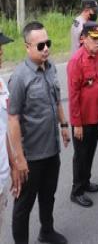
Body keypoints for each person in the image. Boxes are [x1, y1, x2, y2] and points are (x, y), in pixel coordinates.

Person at [8, 21, 70, 244]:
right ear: (27, 47)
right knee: (23, 206)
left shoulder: (51, 68)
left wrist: (64, 125)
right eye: (40, 45)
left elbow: (56, 100)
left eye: (48, 43)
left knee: (48, 195)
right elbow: (13, 119)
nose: (46, 48)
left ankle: (47, 231)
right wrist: (19, 158)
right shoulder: (19, 78)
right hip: (31, 156)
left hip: (52, 150)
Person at [67, 22, 98, 208]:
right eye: (94, 38)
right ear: (83, 39)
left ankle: (86, 181)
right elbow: (73, 95)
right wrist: (76, 124)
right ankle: (76, 191)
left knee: (90, 151)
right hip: (82, 120)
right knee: (81, 154)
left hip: (96, 116)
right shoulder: (76, 60)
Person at [0, 30, 19, 234]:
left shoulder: (2, 83)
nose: (1, 53)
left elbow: (4, 128)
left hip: (2, 174)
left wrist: (14, 165)